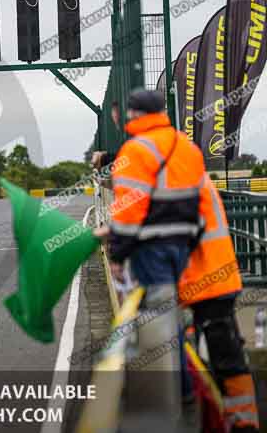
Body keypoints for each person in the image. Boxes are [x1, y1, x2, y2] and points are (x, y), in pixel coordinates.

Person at [95, 88, 206, 419]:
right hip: (184, 248)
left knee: (159, 323)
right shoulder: (186, 147)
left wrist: (117, 254)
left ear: (134, 115)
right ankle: (188, 388)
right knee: (178, 319)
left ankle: (178, 397)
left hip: (151, 250)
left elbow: (129, 212)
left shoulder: (135, 150)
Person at [179, 174, 259, 432]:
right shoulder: (185, 169)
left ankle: (243, 423)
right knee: (221, 353)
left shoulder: (176, 177)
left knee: (225, 356)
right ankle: (233, 418)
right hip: (210, 280)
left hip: (210, 282)